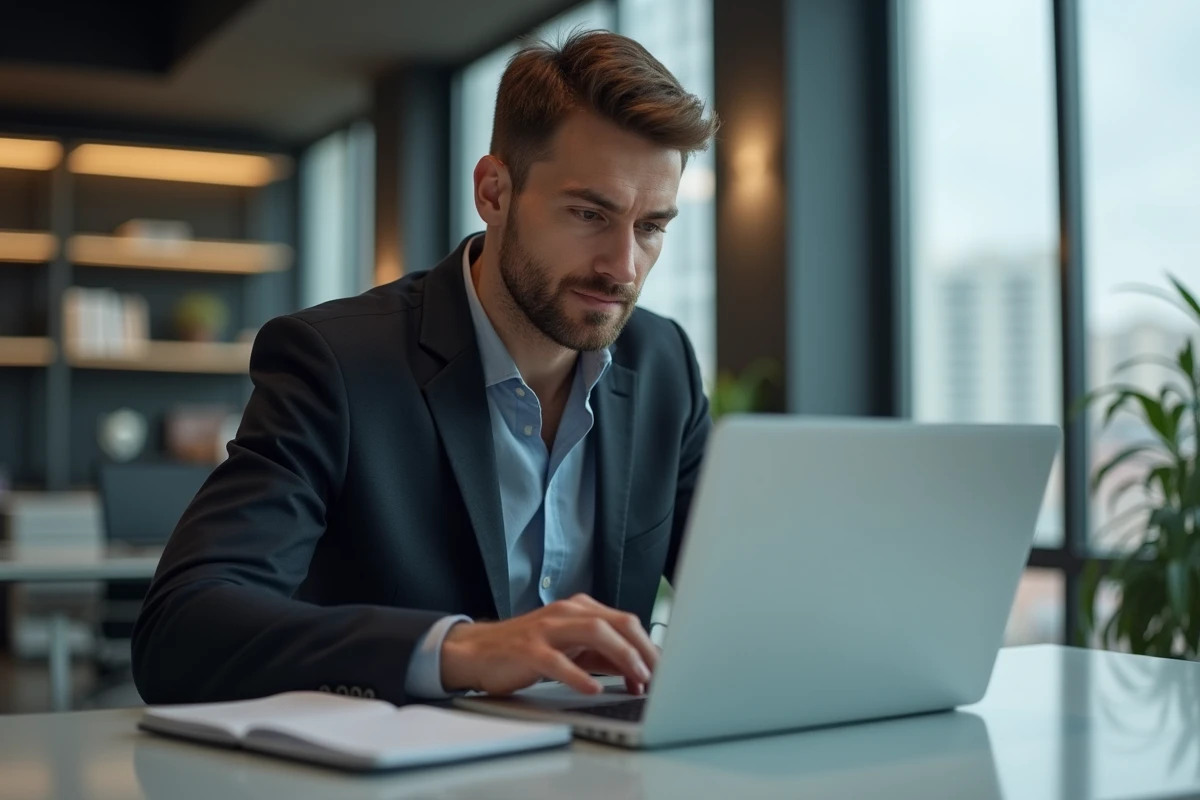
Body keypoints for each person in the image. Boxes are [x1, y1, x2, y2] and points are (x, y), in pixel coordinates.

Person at [131, 30, 719, 706]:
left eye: (651, 227)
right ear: (494, 192)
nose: (623, 267)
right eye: (590, 213)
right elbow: (180, 631)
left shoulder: (662, 363)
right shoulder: (337, 364)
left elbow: (748, 596)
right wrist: (459, 649)